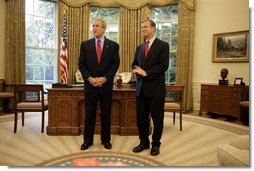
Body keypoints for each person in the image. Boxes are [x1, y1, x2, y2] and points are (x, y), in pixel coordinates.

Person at [78, 19, 120, 150]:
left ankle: (106, 140)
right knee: (89, 114)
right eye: (93, 26)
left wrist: (105, 78)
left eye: (97, 26)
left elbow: (115, 64)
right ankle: (87, 141)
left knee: (106, 114)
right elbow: (81, 64)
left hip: (105, 86)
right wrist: (89, 78)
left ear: (104, 29)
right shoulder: (85, 44)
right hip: (90, 85)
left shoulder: (113, 45)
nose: (94, 28)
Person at [131, 19, 169, 156]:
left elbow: (163, 66)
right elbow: (134, 64)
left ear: (153, 28)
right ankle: (143, 142)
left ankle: (156, 144)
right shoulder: (139, 47)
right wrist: (136, 69)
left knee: (157, 119)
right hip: (141, 89)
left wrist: (146, 73)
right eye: (141, 27)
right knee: (141, 118)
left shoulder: (163, 45)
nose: (143, 29)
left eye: (145, 27)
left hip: (155, 89)